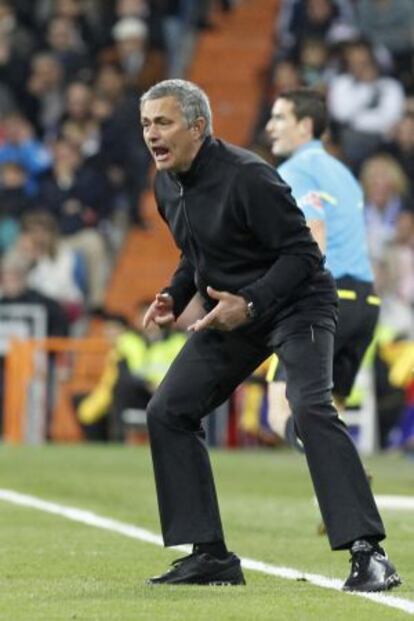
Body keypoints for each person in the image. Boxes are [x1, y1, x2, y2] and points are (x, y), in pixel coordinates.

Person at [139, 79, 400, 591]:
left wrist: (253, 302)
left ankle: (370, 554)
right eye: (146, 123)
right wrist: (175, 292)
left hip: (296, 302)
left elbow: (305, 256)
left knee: (309, 409)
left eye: (163, 122)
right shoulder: (165, 183)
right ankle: (209, 555)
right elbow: (197, 251)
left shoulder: (249, 177)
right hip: (235, 311)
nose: (152, 134)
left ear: (198, 126)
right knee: (168, 410)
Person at [265, 88, 380, 450]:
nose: (270, 127)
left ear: (306, 125)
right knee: (332, 413)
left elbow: (315, 236)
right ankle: (346, 484)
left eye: (280, 118)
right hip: (366, 304)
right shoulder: (342, 172)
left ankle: (339, 466)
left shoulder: (295, 170)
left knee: (277, 408)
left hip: (329, 301)